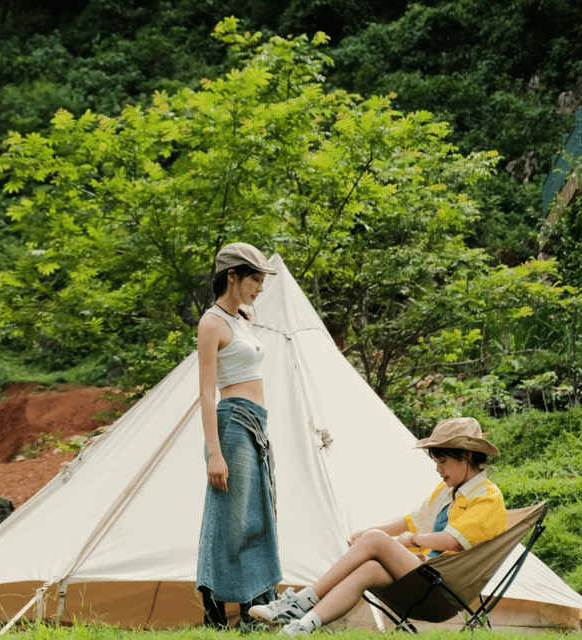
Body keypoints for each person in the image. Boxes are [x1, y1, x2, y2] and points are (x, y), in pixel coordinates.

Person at [249, 417, 506, 636]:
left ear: (468, 455)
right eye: (436, 462)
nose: (438, 469)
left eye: (443, 461)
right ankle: (300, 627)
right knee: (368, 569)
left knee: (373, 539)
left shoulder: (487, 497)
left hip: (445, 586)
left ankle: (301, 600)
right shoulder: (447, 491)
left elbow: (452, 541)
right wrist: (371, 533)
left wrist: (409, 540)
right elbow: (413, 519)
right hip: (424, 576)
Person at [196, 242, 282, 631]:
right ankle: (215, 606)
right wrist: (215, 453)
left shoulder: (241, 318)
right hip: (231, 423)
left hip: (256, 424)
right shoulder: (212, 323)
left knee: (256, 516)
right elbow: (206, 392)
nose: (260, 288)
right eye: (256, 279)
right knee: (230, 518)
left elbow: (244, 317)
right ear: (233, 276)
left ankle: (255, 607)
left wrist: (243, 310)